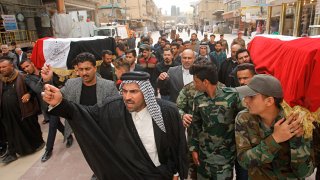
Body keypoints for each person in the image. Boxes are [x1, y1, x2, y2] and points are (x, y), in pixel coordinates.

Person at [42, 71, 188, 180]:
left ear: (146, 92)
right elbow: (84, 113)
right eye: (124, 91)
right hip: (126, 174)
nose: (127, 97)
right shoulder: (113, 107)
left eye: (134, 92)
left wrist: (175, 172)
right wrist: (61, 103)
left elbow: (176, 145)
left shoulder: (167, 112)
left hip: (158, 174)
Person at [235, 74, 314, 179]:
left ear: (269, 101)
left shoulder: (295, 120)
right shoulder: (244, 118)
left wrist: (298, 141)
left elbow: (305, 172)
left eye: (251, 97)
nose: (245, 100)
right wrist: (275, 139)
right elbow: (244, 161)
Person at [189, 60, 241, 179]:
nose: (194, 85)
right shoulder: (198, 98)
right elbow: (195, 126)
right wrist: (193, 149)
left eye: (196, 82)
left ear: (205, 82)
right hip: (204, 157)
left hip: (225, 158)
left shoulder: (232, 96)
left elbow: (243, 123)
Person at [19, 59, 72, 162]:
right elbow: (38, 89)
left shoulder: (47, 70)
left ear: (32, 64)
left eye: (27, 66)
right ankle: (64, 138)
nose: (26, 69)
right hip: (47, 105)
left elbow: (58, 82)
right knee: (55, 124)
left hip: (59, 100)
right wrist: (45, 79)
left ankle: (50, 148)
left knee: (54, 125)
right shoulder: (28, 79)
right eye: (23, 68)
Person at [0, 57, 44, 164]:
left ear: (12, 66)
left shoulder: (23, 77)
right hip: (7, 114)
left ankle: (36, 146)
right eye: (0, 67)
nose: (1, 69)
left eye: (4, 66)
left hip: (23, 112)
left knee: (28, 130)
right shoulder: (1, 80)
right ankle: (13, 153)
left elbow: (35, 90)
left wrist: (29, 94)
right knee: (11, 133)